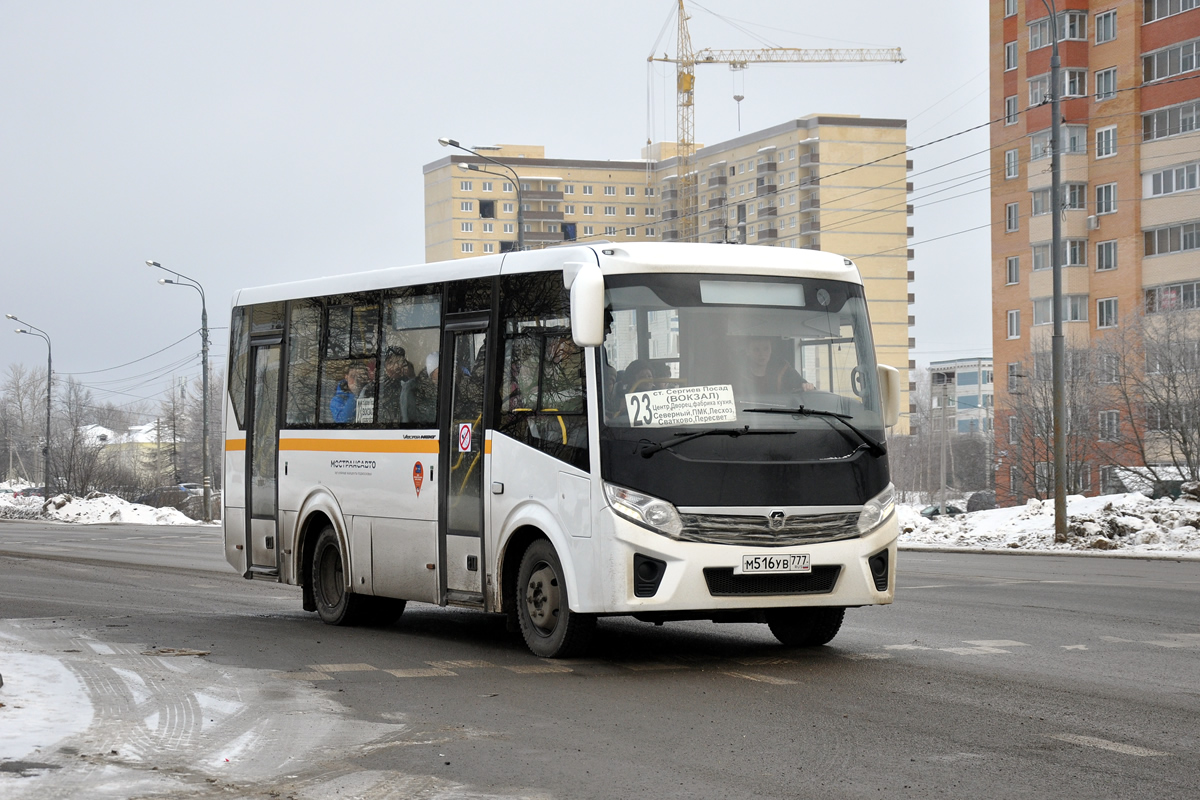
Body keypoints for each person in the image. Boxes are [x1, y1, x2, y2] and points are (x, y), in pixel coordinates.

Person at [740, 338, 812, 396]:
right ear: (747, 351)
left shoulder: (783, 369)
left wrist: (808, 386)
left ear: (771, 349)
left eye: (766, 349)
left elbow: (804, 386)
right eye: (756, 350)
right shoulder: (738, 372)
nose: (762, 354)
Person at [378, 346, 414, 424]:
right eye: (393, 362)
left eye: (401, 362)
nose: (398, 366)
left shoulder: (408, 384)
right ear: (386, 364)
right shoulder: (377, 386)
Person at [402, 352, 440, 424]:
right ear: (431, 372)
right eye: (438, 370)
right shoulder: (412, 388)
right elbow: (407, 418)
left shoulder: (450, 386)